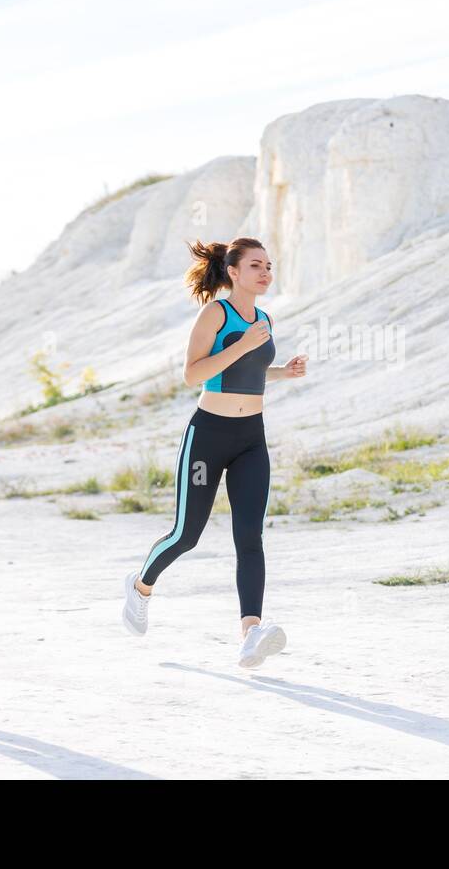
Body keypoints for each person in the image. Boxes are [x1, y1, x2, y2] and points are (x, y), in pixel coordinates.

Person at [122, 237, 307, 668]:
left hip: (251, 439)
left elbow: (251, 373)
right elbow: (194, 374)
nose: (265, 272)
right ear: (234, 272)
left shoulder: (265, 318)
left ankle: (250, 633)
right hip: (209, 436)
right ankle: (141, 586)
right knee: (187, 533)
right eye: (256, 266)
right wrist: (243, 345)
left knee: (250, 537)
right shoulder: (215, 314)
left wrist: (284, 372)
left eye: (269, 265)